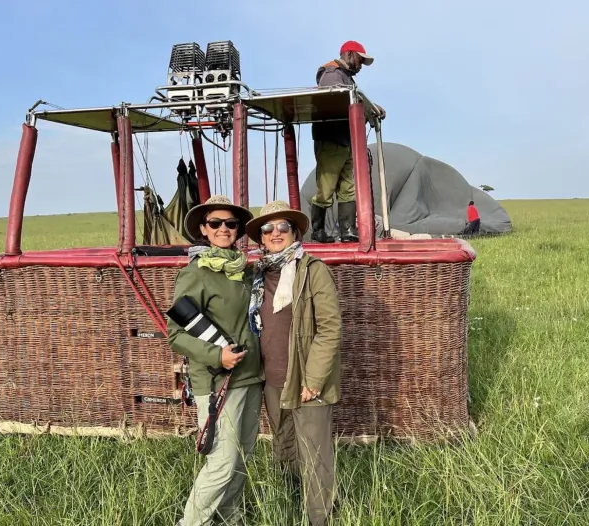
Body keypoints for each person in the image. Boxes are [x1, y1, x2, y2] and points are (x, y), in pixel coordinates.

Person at [167, 194, 264, 526]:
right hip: (218, 380)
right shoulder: (197, 273)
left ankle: (228, 517)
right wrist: (216, 356)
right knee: (222, 462)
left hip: (251, 377)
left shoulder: (245, 270)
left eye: (231, 224)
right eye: (215, 223)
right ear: (204, 230)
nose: (224, 229)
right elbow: (175, 334)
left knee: (242, 458)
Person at [245, 200, 343, 526]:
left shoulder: (313, 271)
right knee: (285, 447)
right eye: (267, 228)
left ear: (295, 231)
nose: (275, 233)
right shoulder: (257, 275)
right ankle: (288, 506)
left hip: (305, 379)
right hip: (272, 379)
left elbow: (330, 328)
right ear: (260, 237)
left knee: (316, 456)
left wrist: (314, 379)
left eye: (282, 226)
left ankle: (321, 518)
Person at [310, 40, 385, 244]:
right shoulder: (332, 73)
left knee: (348, 188)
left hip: (346, 140)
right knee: (326, 189)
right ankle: (318, 231)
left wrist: (371, 109)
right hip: (331, 139)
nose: (360, 65)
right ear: (350, 54)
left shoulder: (346, 78)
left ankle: (348, 231)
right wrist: (367, 105)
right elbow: (334, 100)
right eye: (360, 60)